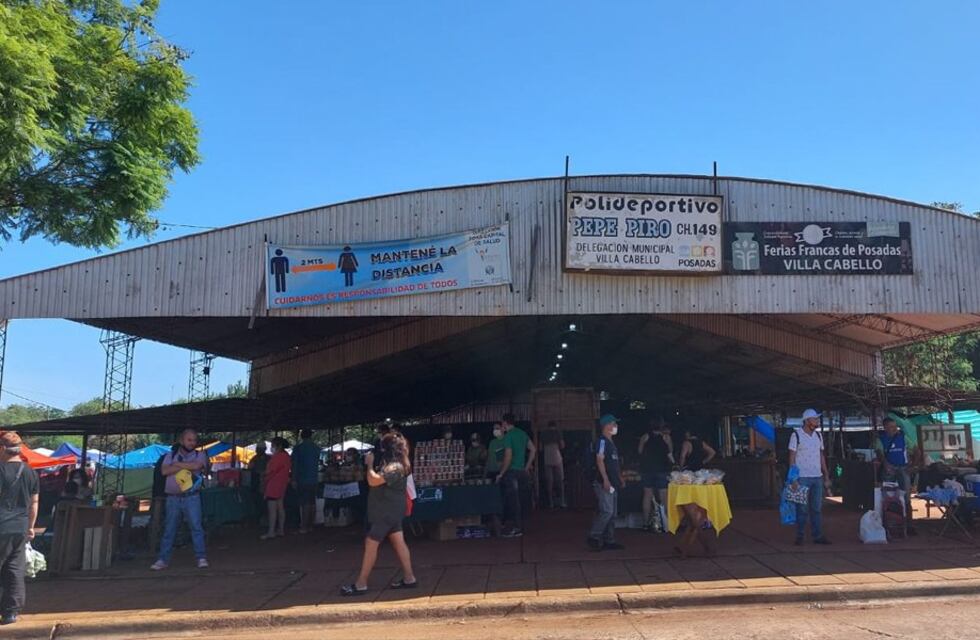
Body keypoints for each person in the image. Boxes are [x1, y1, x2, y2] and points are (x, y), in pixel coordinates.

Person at [341, 432, 417, 596]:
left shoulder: (396, 466)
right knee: (398, 542)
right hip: (391, 510)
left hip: (387, 511)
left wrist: (369, 464)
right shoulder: (397, 463)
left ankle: (361, 583)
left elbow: (373, 480)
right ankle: (409, 578)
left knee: (371, 542)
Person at [151, 429, 210, 571]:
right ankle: (163, 559)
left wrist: (176, 465)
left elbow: (197, 466)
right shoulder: (169, 455)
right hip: (173, 498)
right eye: (189, 440)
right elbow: (164, 471)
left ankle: (201, 557)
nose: (192, 443)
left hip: (192, 497)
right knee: (169, 529)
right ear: (182, 441)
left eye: (194, 440)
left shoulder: (200, 455)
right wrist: (186, 466)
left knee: (196, 527)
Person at [0, 431, 39, 626]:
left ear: (2, 448)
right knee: (14, 569)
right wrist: (30, 527)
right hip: (20, 527)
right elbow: (34, 502)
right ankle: (10, 613)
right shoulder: (30, 472)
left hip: (1, 526)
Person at [788, 409, 832, 546]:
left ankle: (817, 535)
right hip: (802, 477)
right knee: (802, 508)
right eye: (814, 419)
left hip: (817, 476)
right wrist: (793, 478)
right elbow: (792, 458)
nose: (817, 421)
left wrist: (826, 474)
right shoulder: (796, 435)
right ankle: (800, 535)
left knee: (817, 508)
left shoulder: (818, 437)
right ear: (807, 421)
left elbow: (821, 456)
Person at [587, 415, 624, 552]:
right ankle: (594, 536)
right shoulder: (602, 442)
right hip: (604, 482)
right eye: (614, 423)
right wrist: (605, 479)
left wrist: (619, 478)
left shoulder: (611, 443)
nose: (615, 426)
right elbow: (599, 460)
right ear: (606, 425)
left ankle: (609, 540)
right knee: (607, 511)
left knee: (612, 513)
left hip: (613, 483)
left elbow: (614, 464)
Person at [496, 413, 536, 538]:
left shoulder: (508, 437)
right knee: (522, 499)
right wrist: (527, 466)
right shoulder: (522, 433)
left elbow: (508, 457)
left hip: (511, 472)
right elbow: (533, 449)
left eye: (502, 423)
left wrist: (501, 473)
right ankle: (520, 526)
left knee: (513, 501)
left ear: (505, 423)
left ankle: (516, 528)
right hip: (522, 472)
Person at [876, 417, 916, 517]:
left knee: (906, 496)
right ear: (885, 428)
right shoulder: (880, 439)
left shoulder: (903, 437)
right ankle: (889, 520)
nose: (894, 429)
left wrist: (912, 466)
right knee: (888, 496)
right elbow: (879, 452)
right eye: (891, 427)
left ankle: (908, 522)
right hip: (889, 470)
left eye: (895, 426)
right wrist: (886, 464)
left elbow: (916, 450)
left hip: (903, 468)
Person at [638, 419, 673, 532]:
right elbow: (670, 452)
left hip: (647, 469)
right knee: (663, 496)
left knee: (647, 495)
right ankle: (665, 523)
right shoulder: (666, 437)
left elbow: (639, 451)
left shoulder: (645, 437)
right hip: (662, 469)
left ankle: (645, 523)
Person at [291, 429, 320, 534]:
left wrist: (294, 479)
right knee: (312, 502)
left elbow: (295, 465)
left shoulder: (298, 448)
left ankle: (304, 526)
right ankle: (311, 525)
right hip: (314, 478)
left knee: (305, 503)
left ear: (301, 436)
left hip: (303, 479)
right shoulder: (316, 448)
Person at [262, 437, 292, 539]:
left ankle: (271, 532)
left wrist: (263, 476)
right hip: (282, 484)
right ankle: (281, 530)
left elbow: (269, 471)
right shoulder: (286, 456)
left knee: (272, 510)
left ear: (277, 446)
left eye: (273, 446)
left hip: (273, 484)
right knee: (280, 507)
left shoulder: (277, 457)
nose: (271, 448)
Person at [540, 421, 566, 509]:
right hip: (556, 456)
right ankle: (562, 502)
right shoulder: (558, 433)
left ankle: (551, 502)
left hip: (547, 457)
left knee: (549, 482)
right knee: (560, 480)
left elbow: (540, 447)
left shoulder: (543, 434)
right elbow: (562, 445)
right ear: (555, 426)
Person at [248, 442, 270, 525]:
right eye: (257, 449)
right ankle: (258, 519)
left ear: (264, 449)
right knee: (257, 501)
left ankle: (265, 519)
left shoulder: (268, 459)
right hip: (255, 484)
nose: (258, 450)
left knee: (265, 502)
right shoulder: (254, 458)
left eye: (260, 449)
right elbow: (249, 468)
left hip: (265, 484)